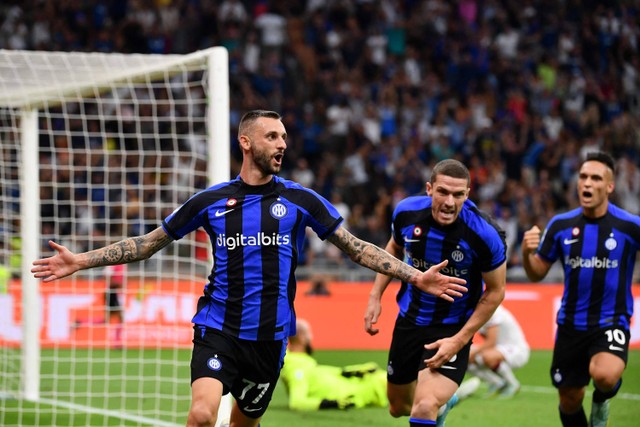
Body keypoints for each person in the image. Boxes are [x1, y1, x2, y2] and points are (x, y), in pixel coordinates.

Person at [32, 110, 468, 427]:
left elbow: (355, 247)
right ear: (246, 142)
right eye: (273, 136)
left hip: (270, 340)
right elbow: (147, 244)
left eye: (283, 137)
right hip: (217, 327)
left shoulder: (301, 200)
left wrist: (414, 276)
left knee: (244, 424)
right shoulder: (211, 200)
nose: (282, 144)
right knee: (202, 415)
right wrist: (81, 261)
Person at [364, 158, 507, 427]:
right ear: (429, 188)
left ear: (468, 194)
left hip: (451, 329)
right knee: (399, 407)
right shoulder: (406, 212)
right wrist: (375, 295)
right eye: (443, 192)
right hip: (409, 322)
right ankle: (446, 403)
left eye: (458, 194)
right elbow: (393, 250)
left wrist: (460, 340)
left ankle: (438, 403)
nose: (450, 202)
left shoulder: (485, 234)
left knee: (424, 405)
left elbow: (496, 291)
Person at [521, 151, 639, 427]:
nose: (587, 183)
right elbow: (537, 272)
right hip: (570, 325)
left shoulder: (629, 226)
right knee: (570, 400)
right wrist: (527, 253)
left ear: (609, 186)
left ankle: (602, 398)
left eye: (596, 178)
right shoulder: (561, 225)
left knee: (606, 376)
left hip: (611, 321)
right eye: (583, 177)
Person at [280, 318, 387, 411]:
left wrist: (346, 371)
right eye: (309, 334)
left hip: (351, 385)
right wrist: (331, 404)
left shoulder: (298, 360)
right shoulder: (296, 368)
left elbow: (318, 372)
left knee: (383, 376)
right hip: (353, 392)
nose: (311, 337)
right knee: (390, 380)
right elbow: (297, 402)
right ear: (303, 338)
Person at [459, 304, 530, 399]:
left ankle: (512, 384)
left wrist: (474, 353)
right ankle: (497, 384)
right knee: (462, 356)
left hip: (516, 350)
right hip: (499, 349)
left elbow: (491, 342)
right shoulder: (478, 313)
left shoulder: (493, 311)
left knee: (486, 356)